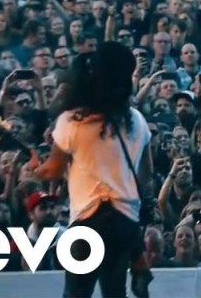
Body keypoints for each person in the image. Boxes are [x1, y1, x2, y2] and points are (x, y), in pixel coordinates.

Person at [26, 42, 155, 298]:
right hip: (124, 222)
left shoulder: (72, 122)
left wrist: (34, 168)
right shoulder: (136, 120)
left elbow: (52, 171)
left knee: (77, 292)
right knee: (115, 292)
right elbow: (147, 175)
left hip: (88, 219)